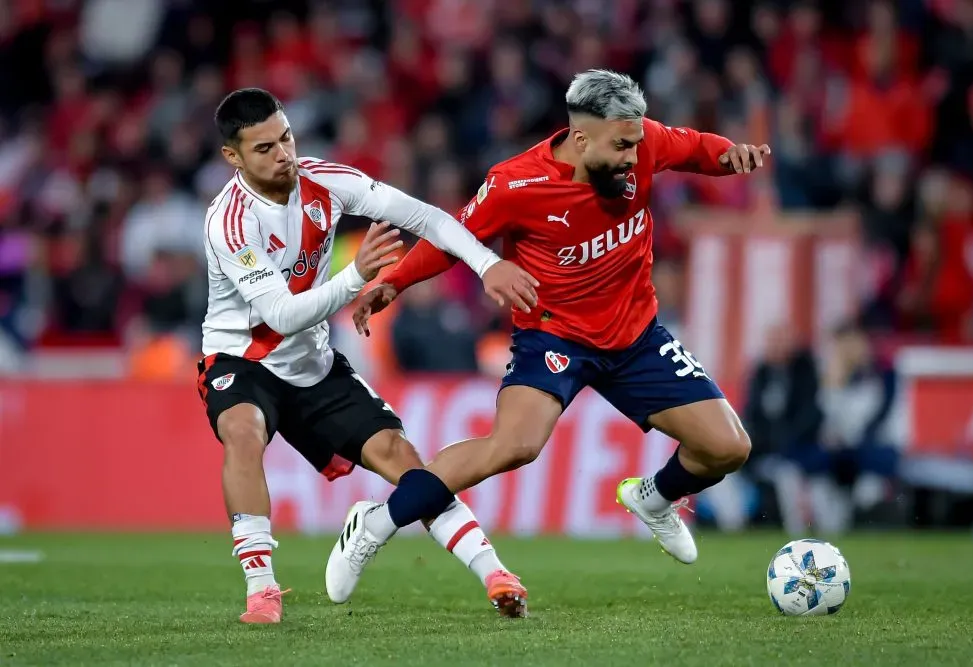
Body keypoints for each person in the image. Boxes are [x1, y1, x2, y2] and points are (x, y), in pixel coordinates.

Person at [332, 70, 770, 603]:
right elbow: (454, 237)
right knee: (514, 445)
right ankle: (376, 524)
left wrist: (731, 155)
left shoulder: (643, 139)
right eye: (622, 146)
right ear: (581, 139)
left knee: (728, 447)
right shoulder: (518, 183)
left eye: (637, 142)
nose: (635, 157)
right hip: (554, 337)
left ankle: (654, 498)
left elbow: (697, 148)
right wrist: (394, 281)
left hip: (636, 337)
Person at [198, 88, 538, 624]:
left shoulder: (325, 181)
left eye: (285, 137)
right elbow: (282, 316)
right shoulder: (230, 222)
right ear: (233, 157)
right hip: (243, 359)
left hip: (312, 361)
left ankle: (494, 572)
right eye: (263, 148)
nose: (283, 153)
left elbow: (428, 218)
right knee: (243, 431)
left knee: (404, 460)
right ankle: (261, 588)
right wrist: (357, 275)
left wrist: (486, 264)